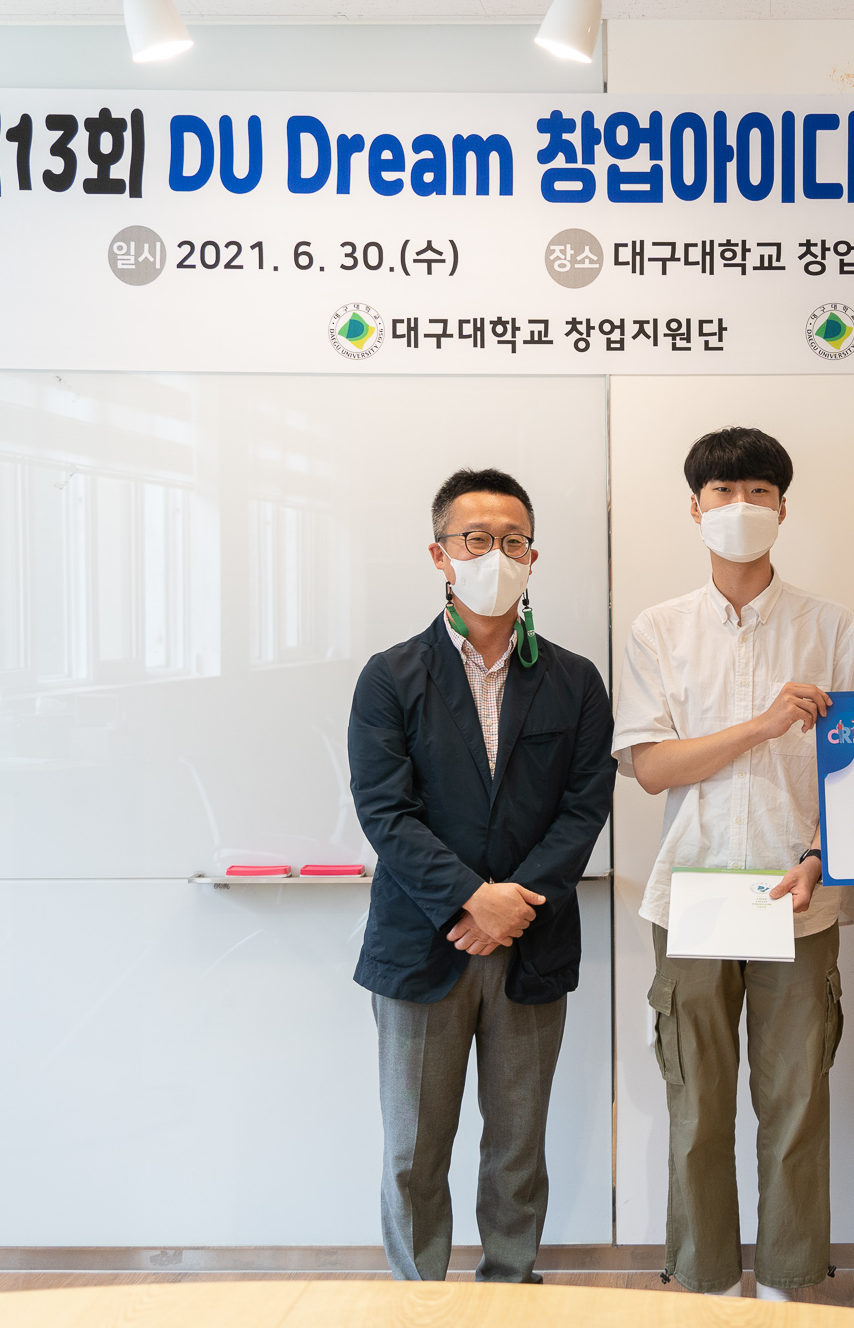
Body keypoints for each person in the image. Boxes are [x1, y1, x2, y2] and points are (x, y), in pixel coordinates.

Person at [611, 426, 854, 1301]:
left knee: (796, 1101)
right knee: (698, 1103)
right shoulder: (660, 628)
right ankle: (709, 1283)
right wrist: (763, 724)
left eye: (758, 490)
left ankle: (788, 1286)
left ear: (782, 508)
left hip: (798, 894)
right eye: (722, 492)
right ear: (694, 509)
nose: (740, 506)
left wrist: (821, 856)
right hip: (693, 891)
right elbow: (653, 766)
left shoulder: (831, 625)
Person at [347, 467, 616, 1283]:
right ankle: (419, 1298)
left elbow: (584, 806)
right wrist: (471, 899)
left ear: (533, 556)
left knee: (517, 1148)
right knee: (413, 1149)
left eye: (512, 540)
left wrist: (513, 906)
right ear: (440, 554)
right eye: (475, 539)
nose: (495, 554)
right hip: (423, 943)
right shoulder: (391, 675)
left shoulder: (575, 679)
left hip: (530, 944)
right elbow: (386, 810)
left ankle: (510, 1289)